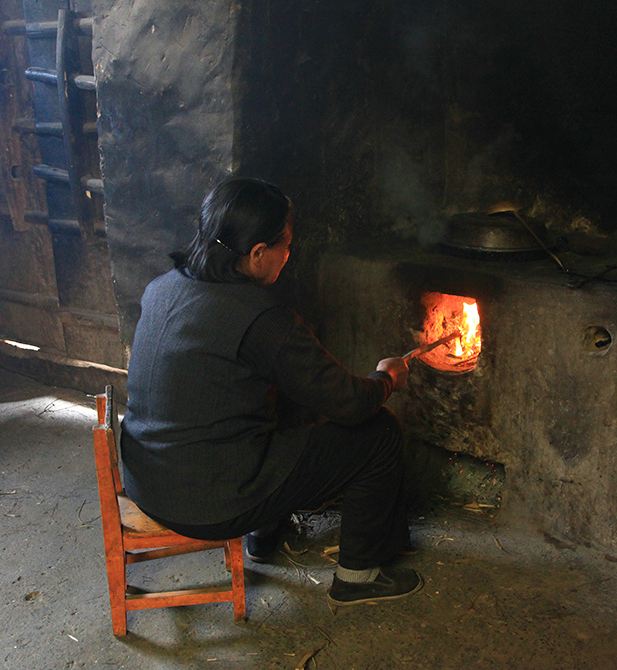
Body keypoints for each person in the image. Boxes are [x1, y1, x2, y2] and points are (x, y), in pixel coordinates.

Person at [120, 176, 422, 608]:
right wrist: (387, 377)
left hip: (148, 481)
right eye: (287, 246)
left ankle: (264, 535)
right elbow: (352, 405)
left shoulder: (162, 287)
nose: (289, 255)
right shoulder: (262, 319)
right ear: (259, 253)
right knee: (380, 435)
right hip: (210, 503)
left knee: (275, 405)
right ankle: (359, 576)